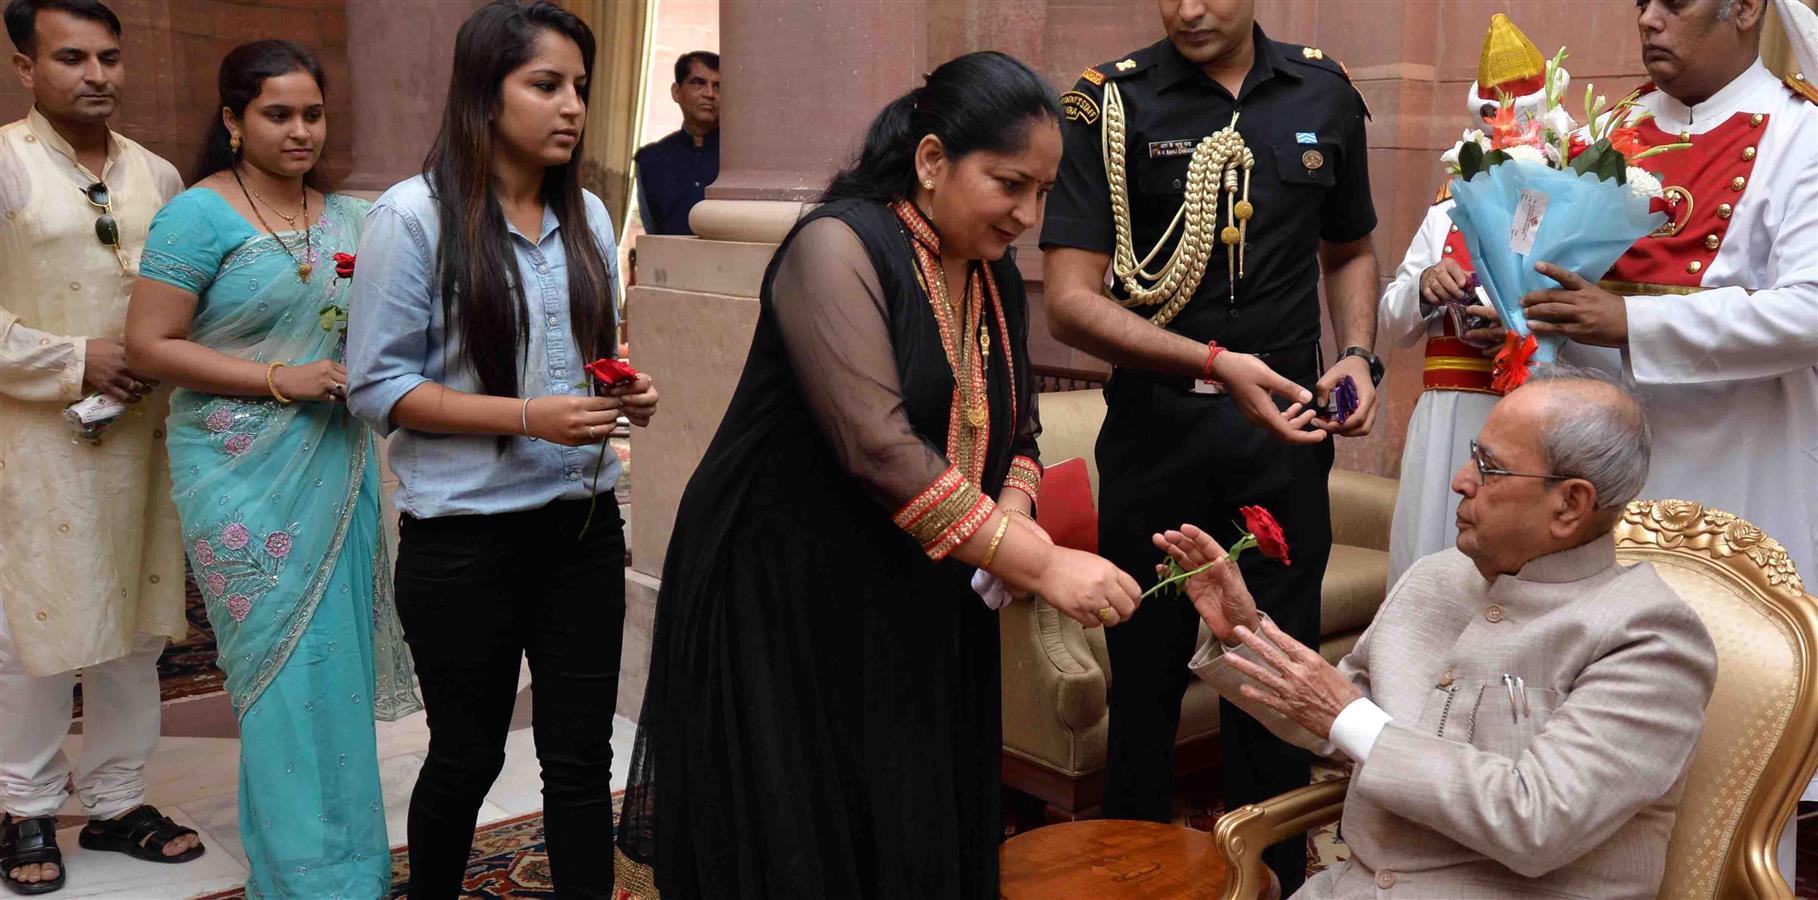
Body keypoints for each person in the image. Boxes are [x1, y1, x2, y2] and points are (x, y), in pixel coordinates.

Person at [615, 51, 1141, 898]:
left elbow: (1019, 424)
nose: (1029, 215)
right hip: (786, 591)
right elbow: (877, 446)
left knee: (916, 814)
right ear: (933, 161)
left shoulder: (996, 272)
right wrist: (1037, 561)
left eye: (1042, 193)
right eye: (1011, 184)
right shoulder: (837, 247)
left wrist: (1010, 513)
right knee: (811, 833)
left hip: (920, 586)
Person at [1457, 0, 1818, 877]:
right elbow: (1553, 274)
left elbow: (1810, 308)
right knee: (1576, 713)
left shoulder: (1801, 134)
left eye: (1674, 2)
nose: (1649, 21)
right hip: (1595, 486)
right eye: (1639, 5)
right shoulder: (1604, 130)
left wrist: (1634, 326)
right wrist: (1511, 314)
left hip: (1740, 469)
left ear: (1744, 9)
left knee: (1734, 713)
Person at [1039, 0, 1381, 889]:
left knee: (1274, 672)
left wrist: (1355, 353)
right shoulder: (1109, 106)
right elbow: (1071, 300)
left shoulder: (1323, 90)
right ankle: (1138, 877)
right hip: (1160, 426)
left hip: (1288, 433)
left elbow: (1349, 251)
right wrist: (1217, 363)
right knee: (1145, 679)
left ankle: (1269, 877)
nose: (1189, 8)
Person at [1170, 367, 1717, 899]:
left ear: (1570, 505)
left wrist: (1348, 716)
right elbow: (1332, 723)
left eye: (1490, 467)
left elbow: (1537, 822)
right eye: (1473, 454)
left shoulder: (1650, 639)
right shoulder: (1437, 577)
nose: (1461, 479)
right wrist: (1246, 633)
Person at [345, 3, 654, 896]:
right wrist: (526, 417)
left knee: (579, 762)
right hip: (465, 540)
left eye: (582, 89)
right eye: (545, 85)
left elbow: (592, 354)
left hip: (583, 529)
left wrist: (628, 386)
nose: (571, 108)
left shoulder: (591, 215)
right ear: (487, 93)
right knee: (467, 756)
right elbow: (377, 389)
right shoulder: (412, 220)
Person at [122, 39, 419, 899]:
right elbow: (149, 344)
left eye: (312, 114)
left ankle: (344, 872)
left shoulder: (352, 219)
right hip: (237, 471)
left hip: (336, 462)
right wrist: (279, 380)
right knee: (281, 676)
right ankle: (306, 879)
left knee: (334, 670)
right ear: (232, 121)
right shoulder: (198, 215)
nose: (299, 132)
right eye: (277, 114)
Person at [0, 0, 194, 892]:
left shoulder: (156, 174)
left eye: (109, 57)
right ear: (24, 68)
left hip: (142, 439)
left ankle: (116, 801)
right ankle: (25, 805)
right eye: (71, 57)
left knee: (136, 624)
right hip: (33, 439)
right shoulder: (4, 165)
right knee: (29, 629)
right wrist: (78, 357)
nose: (96, 75)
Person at [1380, 14, 1566, 588]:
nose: (1507, 135)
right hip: (1443, 416)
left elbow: (1588, 319)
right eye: (1495, 122)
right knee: (1428, 567)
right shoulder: (1445, 207)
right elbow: (1393, 321)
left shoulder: (1566, 204)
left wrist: (1520, 329)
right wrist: (1425, 286)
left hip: (1529, 418)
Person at [634, 50, 718, 235]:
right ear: (676, 92)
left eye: (718, 86)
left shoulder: (740, 161)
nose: (710, 94)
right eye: (698, 83)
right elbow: (654, 231)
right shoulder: (651, 160)